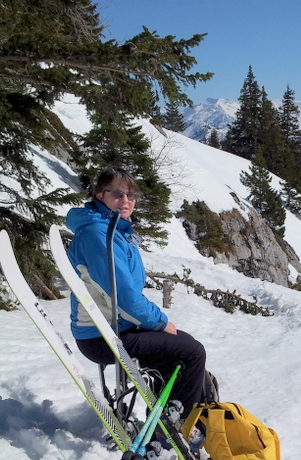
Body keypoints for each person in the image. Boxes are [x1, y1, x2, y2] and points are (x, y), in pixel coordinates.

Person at [66, 167, 208, 419]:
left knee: (176, 348)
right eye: (118, 194)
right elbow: (124, 298)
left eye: (131, 196)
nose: (126, 201)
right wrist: (160, 321)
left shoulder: (113, 231)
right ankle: (184, 425)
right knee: (191, 351)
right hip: (102, 336)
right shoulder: (98, 234)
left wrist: (156, 324)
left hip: (114, 327)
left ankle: (167, 417)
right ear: (99, 194)